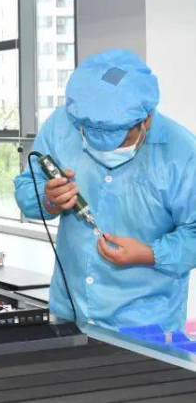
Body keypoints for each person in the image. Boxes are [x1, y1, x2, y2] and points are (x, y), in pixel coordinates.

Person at [14, 49, 196, 332]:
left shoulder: (183, 154)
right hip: (68, 310)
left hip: (145, 325)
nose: (106, 149)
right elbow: (27, 188)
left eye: (120, 139)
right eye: (91, 135)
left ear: (146, 119)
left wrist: (150, 253)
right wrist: (48, 199)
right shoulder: (62, 125)